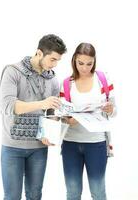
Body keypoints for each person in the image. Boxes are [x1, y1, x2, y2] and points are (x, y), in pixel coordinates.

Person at [0, 34, 67, 200]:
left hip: (38, 148)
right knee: (12, 197)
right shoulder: (12, 71)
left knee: (35, 195)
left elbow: (51, 113)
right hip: (13, 146)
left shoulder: (53, 80)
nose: (55, 64)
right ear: (39, 53)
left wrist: (50, 132)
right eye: (52, 59)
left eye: (58, 60)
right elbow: (8, 106)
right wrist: (42, 103)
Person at [60, 43, 116, 200]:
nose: (84, 68)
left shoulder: (103, 79)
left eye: (89, 63)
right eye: (80, 63)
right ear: (74, 60)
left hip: (96, 144)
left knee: (98, 192)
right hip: (70, 143)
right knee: (72, 193)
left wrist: (110, 110)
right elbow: (62, 116)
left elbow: (115, 111)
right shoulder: (66, 84)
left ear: (94, 61)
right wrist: (69, 120)